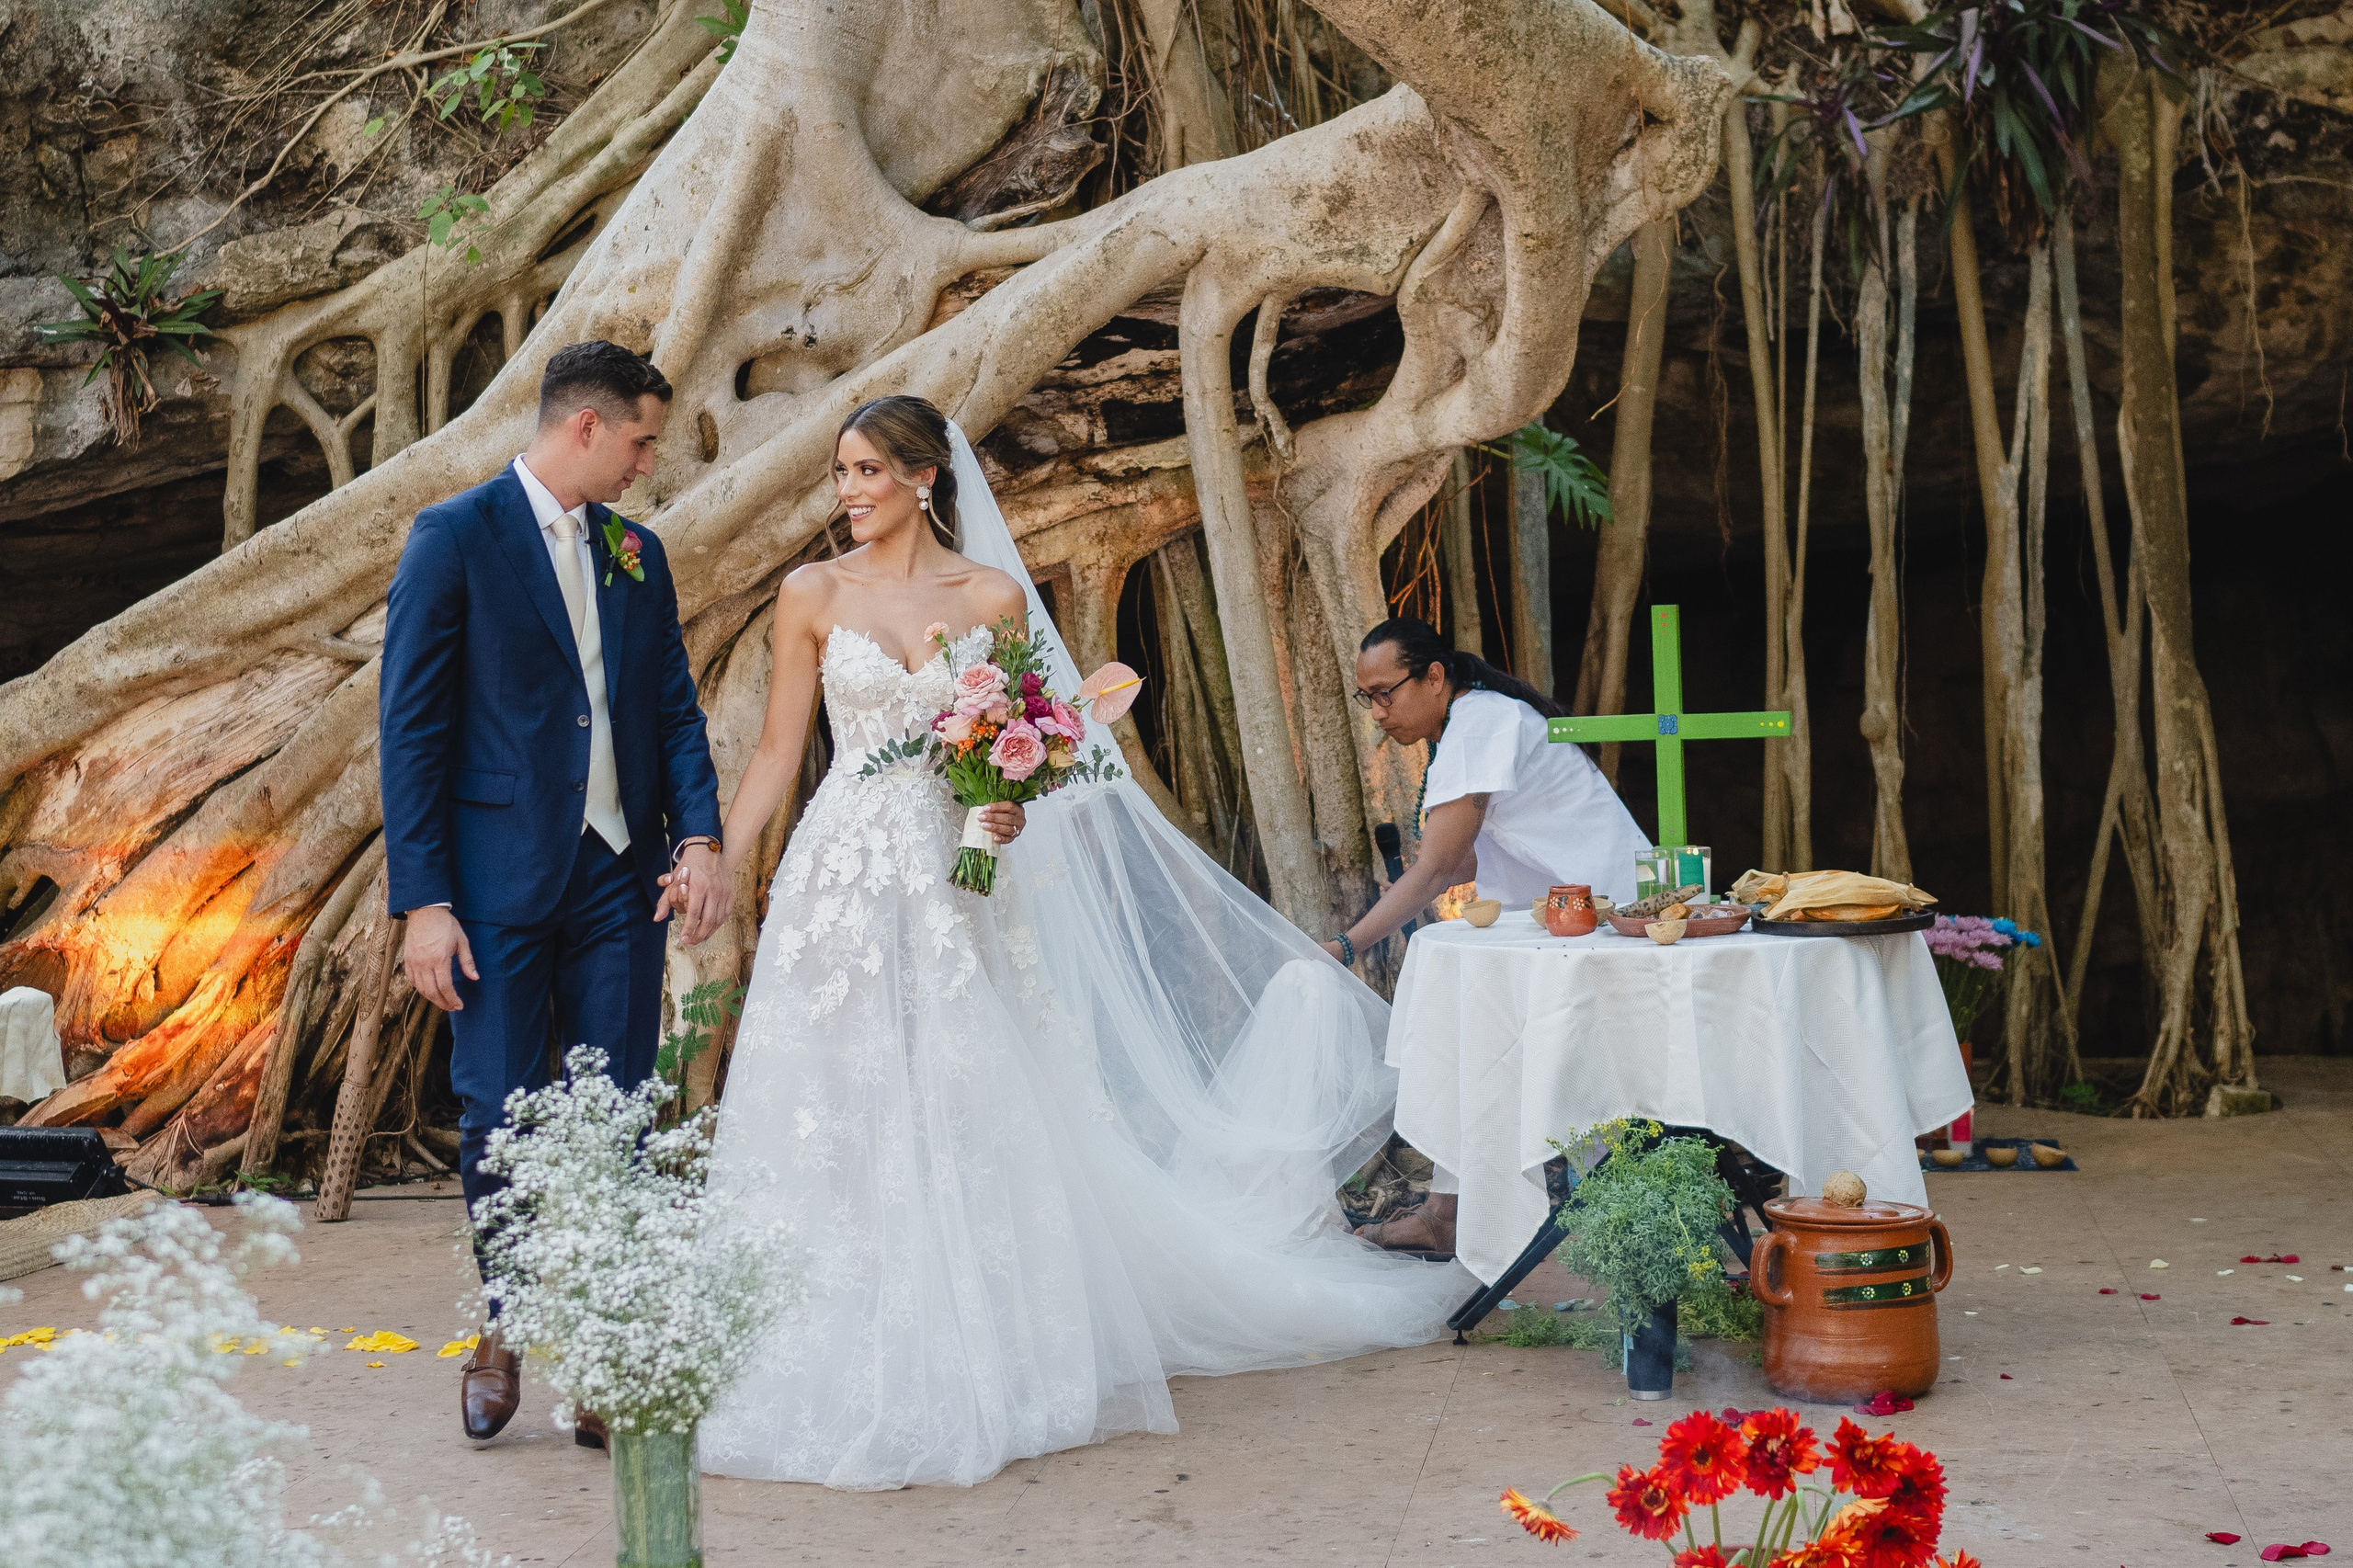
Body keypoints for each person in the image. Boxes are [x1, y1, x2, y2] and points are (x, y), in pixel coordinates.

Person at [698, 396, 1464, 1490]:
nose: (848, 492)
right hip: (845, 873)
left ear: (923, 477)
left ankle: (979, 1335)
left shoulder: (995, 596)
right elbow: (778, 752)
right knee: (841, 1086)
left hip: (961, 868)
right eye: (839, 473)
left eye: (867, 470)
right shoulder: (810, 593)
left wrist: (1006, 804)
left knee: (961, 1081)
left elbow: (1022, 752)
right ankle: (840, 1318)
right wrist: (723, 856)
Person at [380, 340, 731, 1447]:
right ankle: (504, 1326)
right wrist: (423, 900)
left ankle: (603, 1348)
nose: (646, 462)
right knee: (495, 1112)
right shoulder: (455, 537)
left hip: (620, 878)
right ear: (586, 426)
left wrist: (703, 836)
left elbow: (670, 707)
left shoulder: (639, 553)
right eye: (640, 438)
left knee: (617, 1112)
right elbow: (412, 728)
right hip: (489, 890)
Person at [1320, 616, 1651, 1256]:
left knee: (1477, 1036)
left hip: (1605, 926)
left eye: (1387, 691)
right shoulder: (1477, 724)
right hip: (1570, 923)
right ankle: (1449, 1211)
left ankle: (1457, 1214)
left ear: (1435, 677)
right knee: (1477, 1037)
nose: (1379, 712)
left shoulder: (1477, 727)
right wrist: (1422, 876)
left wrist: (1346, 945)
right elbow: (1464, 857)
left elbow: (1442, 866)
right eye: (1370, 697)